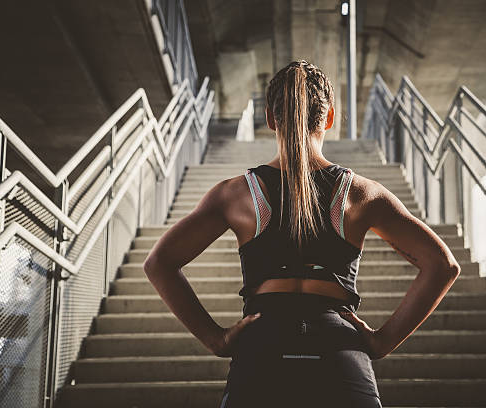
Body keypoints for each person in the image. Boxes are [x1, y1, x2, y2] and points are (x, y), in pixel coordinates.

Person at [143, 60, 461, 408]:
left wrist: (216, 339)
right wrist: (382, 341)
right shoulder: (361, 193)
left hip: (261, 348)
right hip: (338, 351)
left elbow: (159, 262)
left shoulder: (235, 194)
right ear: (328, 119)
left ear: (270, 118)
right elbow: (441, 265)